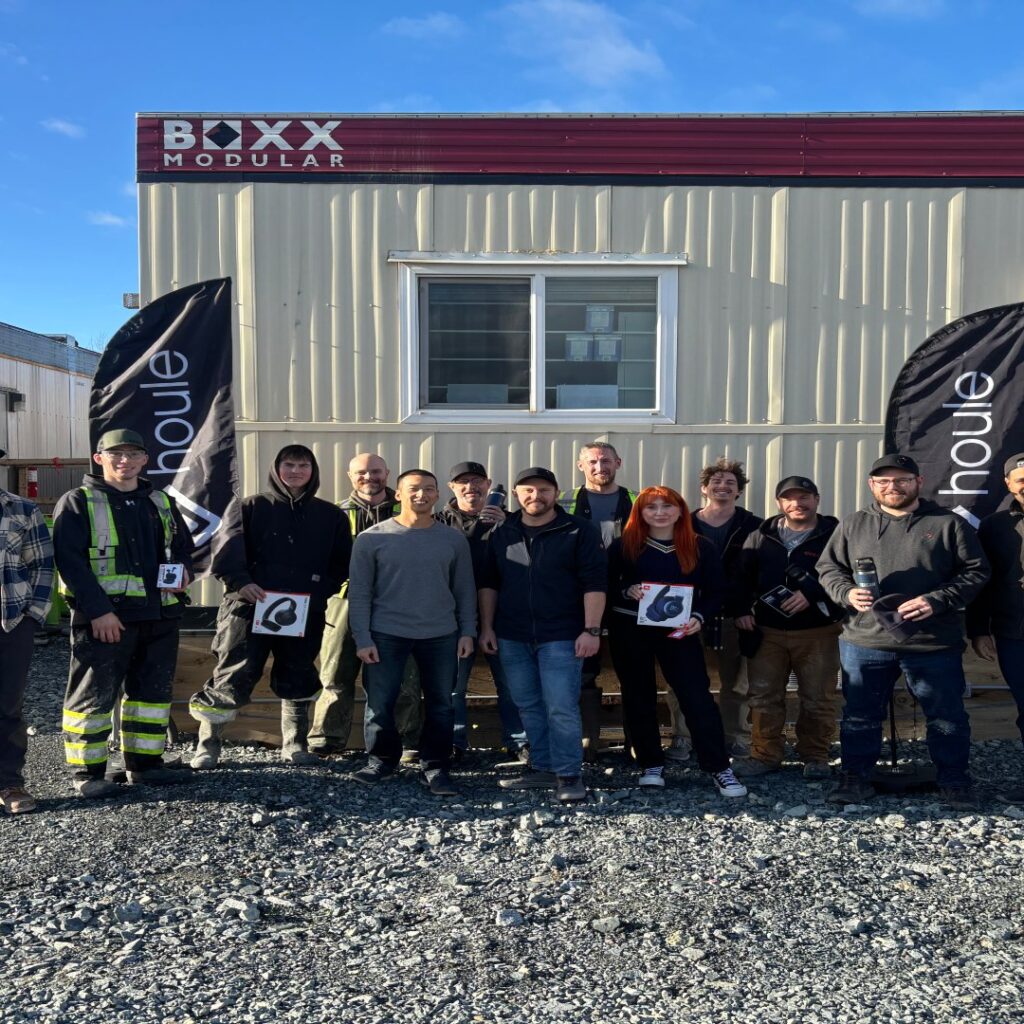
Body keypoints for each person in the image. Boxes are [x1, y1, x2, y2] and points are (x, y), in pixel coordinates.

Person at [817, 453, 990, 809]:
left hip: (932, 641)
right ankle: (855, 776)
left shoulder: (948, 524)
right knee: (860, 714)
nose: (892, 487)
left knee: (946, 714)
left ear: (918, 482)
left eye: (901, 480)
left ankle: (954, 780)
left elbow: (975, 573)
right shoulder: (854, 524)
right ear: (872, 484)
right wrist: (846, 592)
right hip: (865, 639)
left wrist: (938, 600)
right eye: (883, 481)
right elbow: (829, 569)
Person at [188, 444, 351, 768]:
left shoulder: (330, 515)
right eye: (288, 465)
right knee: (232, 674)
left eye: (303, 466)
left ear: (312, 471)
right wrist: (241, 583)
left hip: (303, 611)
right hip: (248, 608)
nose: (295, 471)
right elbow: (221, 555)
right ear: (277, 469)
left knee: (299, 673)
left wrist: (320, 591)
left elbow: (342, 563)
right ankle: (207, 746)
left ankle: (295, 745)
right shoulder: (249, 508)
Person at [54, 429, 194, 798]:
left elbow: (183, 550)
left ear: (145, 459)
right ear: (99, 458)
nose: (125, 461)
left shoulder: (160, 501)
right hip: (105, 620)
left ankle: (144, 765)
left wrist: (183, 572)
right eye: (116, 454)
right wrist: (98, 612)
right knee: (93, 697)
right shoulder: (78, 501)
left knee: (150, 695)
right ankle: (87, 773)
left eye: (133, 453)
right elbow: (70, 563)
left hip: (159, 616)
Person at [607, 487, 747, 797]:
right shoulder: (624, 546)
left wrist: (699, 616)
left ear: (680, 510)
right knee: (638, 696)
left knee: (696, 697)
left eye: (667, 506)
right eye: (651, 507)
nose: (659, 512)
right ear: (639, 512)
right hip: (631, 630)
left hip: (679, 632)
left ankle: (719, 767)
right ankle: (651, 764)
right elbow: (604, 585)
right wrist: (627, 590)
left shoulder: (699, 547)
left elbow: (716, 591)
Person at [479, 467, 607, 803]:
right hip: (511, 635)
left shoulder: (578, 530)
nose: (536, 496)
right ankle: (542, 766)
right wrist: (488, 627)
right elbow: (490, 583)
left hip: (562, 635)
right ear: (517, 495)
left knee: (561, 706)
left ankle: (568, 775)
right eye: (528, 491)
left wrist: (591, 630)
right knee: (529, 705)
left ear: (556, 493)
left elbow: (595, 584)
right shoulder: (502, 530)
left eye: (544, 490)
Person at [348, 469, 476, 796]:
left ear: (437, 495)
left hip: (441, 633)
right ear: (399, 494)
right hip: (386, 633)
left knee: (441, 703)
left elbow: (464, 590)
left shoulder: (453, 540)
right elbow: (360, 593)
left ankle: (435, 765)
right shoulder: (372, 539)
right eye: (414, 489)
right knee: (380, 701)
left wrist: (467, 632)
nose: (422, 495)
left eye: (429, 489)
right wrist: (362, 637)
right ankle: (381, 760)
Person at [308, 452, 421, 756]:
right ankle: (327, 740)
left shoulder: (410, 512)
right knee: (335, 673)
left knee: (403, 675)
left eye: (376, 471)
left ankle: (407, 741)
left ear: (388, 474)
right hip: (343, 602)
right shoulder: (334, 515)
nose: (369, 477)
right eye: (361, 472)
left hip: (397, 605)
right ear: (350, 476)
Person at [733, 475, 843, 780]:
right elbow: (741, 576)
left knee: (818, 697)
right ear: (779, 503)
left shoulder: (836, 534)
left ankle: (815, 755)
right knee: (764, 696)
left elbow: (849, 576)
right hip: (767, 632)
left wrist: (814, 593)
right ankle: (765, 755)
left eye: (804, 497)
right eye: (789, 498)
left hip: (819, 631)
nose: (797, 503)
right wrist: (741, 610)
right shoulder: (761, 534)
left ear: (817, 499)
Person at [436, 461, 527, 760]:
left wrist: (509, 527)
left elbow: (531, 560)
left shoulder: (515, 521)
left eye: (477, 481)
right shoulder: (436, 522)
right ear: (452, 487)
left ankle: (519, 741)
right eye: (462, 481)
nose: (470, 487)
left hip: (505, 615)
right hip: (450, 617)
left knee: (512, 683)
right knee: (452, 686)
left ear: (489, 485)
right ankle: (453, 742)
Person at [564, 442, 637, 759]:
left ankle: (638, 742)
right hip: (577, 597)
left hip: (629, 597)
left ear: (618, 463)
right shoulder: (565, 500)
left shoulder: (638, 500)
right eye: (592, 461)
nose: (599, 466)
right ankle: (587, 741)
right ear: (581, 465)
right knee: (583, 670)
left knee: (633, 669)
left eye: (606, 460)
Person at [692, 458, 763, 754]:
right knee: (686, 679)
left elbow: (760, 573)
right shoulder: (684, 522)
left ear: (739, 491)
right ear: (705, 488)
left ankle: (735, 738)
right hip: (690, 614)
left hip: (736, 615)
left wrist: (747, 608)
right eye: (716, 482)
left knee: (737, 684)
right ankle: (687, 737)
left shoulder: (755, 525)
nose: (723, 487)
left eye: (730, 483)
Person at [968, 452, 1024, 805]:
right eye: (1022, 480)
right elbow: (982, 582)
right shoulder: (995, 526)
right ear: (1008, 483)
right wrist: (978, 628)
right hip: (1015, 634)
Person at [0, 448, 53, 814]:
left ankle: (9, 783)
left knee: (8, 707)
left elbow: (43, 566)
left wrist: (33, 615)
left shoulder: (22, 510)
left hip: (11, 622)